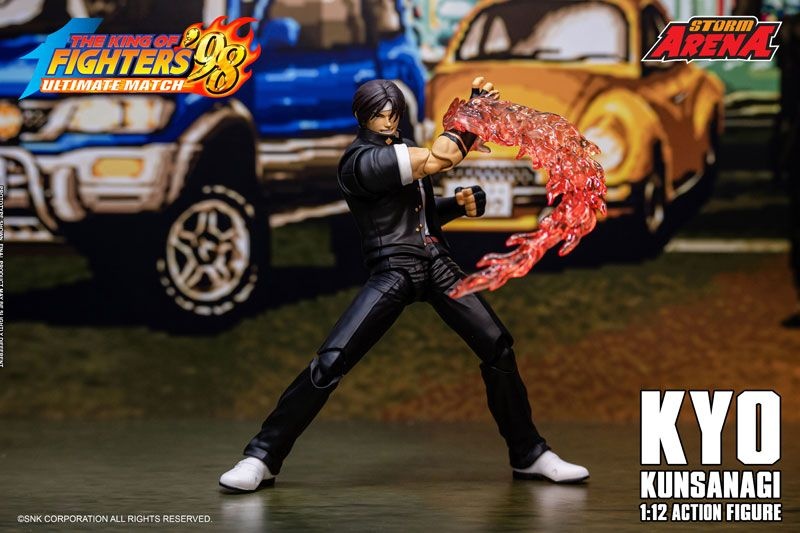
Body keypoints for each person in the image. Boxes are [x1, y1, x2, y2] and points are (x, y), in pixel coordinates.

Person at [219, 77, 589, 492]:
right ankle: (261, 456)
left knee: (497, 346)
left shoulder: (402, 147)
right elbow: (438, 159)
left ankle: (529, 453)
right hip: (395, 270)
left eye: (393, 113)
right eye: (380, 114)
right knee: (331, 361)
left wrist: (456, 205)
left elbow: (418, 214)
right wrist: (473, 115)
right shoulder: (361, 161)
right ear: (362, 115)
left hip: (437, 265)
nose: (389, 121)